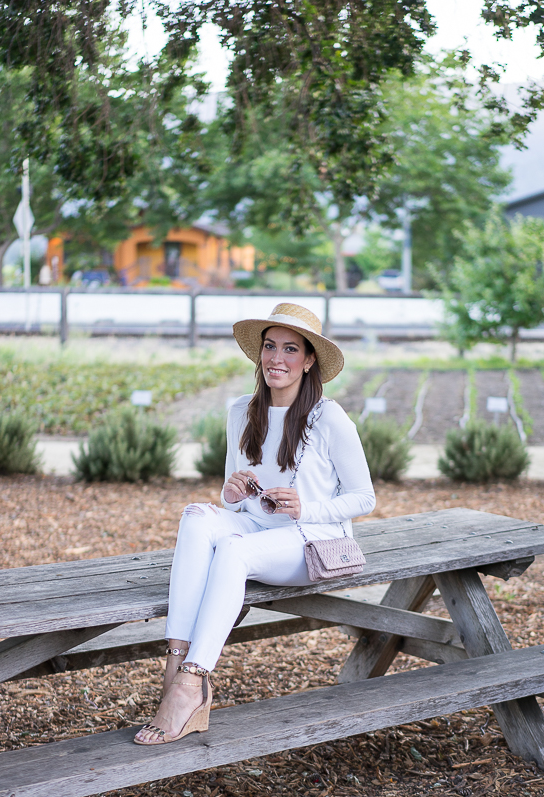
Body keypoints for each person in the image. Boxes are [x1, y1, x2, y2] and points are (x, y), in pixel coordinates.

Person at [135, 301, 375, 746]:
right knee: (196, 516)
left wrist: (306, 508)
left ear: (308, 362)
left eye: (290, 349)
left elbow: (364, 498)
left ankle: (192, 682)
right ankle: (175, 661)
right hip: (261, 534)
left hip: (311, 541)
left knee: (231, 551)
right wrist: (232, 496)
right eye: (269, 346)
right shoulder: (241, 411)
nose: (276, 359)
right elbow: (234, 500)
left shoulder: (329, 418)